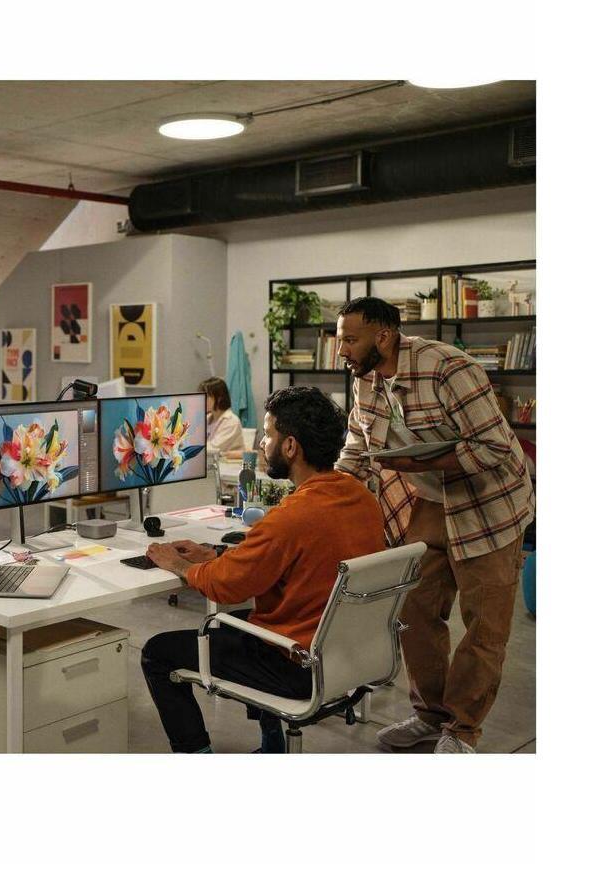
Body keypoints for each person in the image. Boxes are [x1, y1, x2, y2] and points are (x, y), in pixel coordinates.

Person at [333, 296, 534, 754]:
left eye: (350, 340)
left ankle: (462, 730)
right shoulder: (364, 378)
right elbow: (357, 450)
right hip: (431, 501)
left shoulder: (448, 368)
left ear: (384, 336)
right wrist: (319, 497)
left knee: (485, 627)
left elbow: (494, 448)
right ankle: (430, 716)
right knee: (414, 611)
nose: (341, 350)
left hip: (489, 504)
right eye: (340, 340)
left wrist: (414, 462)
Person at [140, 386, 385, 753]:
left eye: (268, 434)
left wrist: (177, 563)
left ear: (291, 446)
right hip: (348, 655)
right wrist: (214, 553)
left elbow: (225, 586)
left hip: (297, 666)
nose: (261, 444)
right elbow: (287, 560)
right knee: (242, 623)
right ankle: (272, 743)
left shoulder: (291, 516)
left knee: (158, 652)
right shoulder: (362, 499)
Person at [200, 376, 244, 459]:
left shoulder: (231, 421)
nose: (202, 399)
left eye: (207, 396)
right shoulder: (207, 419)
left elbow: (213, 448)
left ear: (219, 397)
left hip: (229, 465)